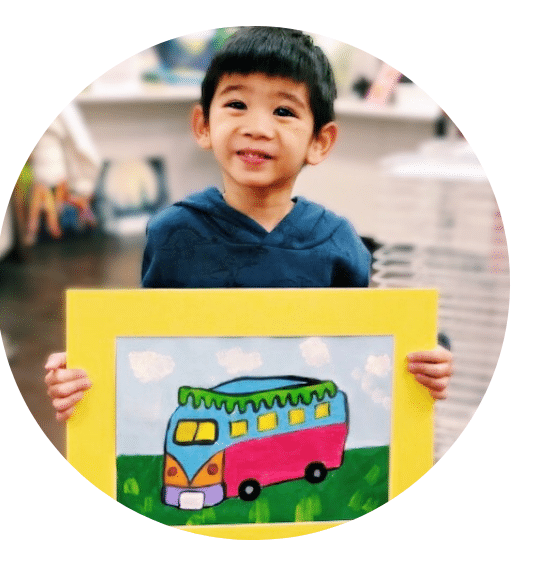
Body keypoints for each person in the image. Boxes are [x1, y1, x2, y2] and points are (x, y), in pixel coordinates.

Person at [45, 27, 452, 422]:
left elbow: (368, 350)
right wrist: (85, 369)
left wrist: (429, 354)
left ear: (319, 141)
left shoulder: (339, 243)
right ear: (204, 126)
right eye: (237, 105)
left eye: (284, 111)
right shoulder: (173, 234)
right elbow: (149, 348)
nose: (257, 128)